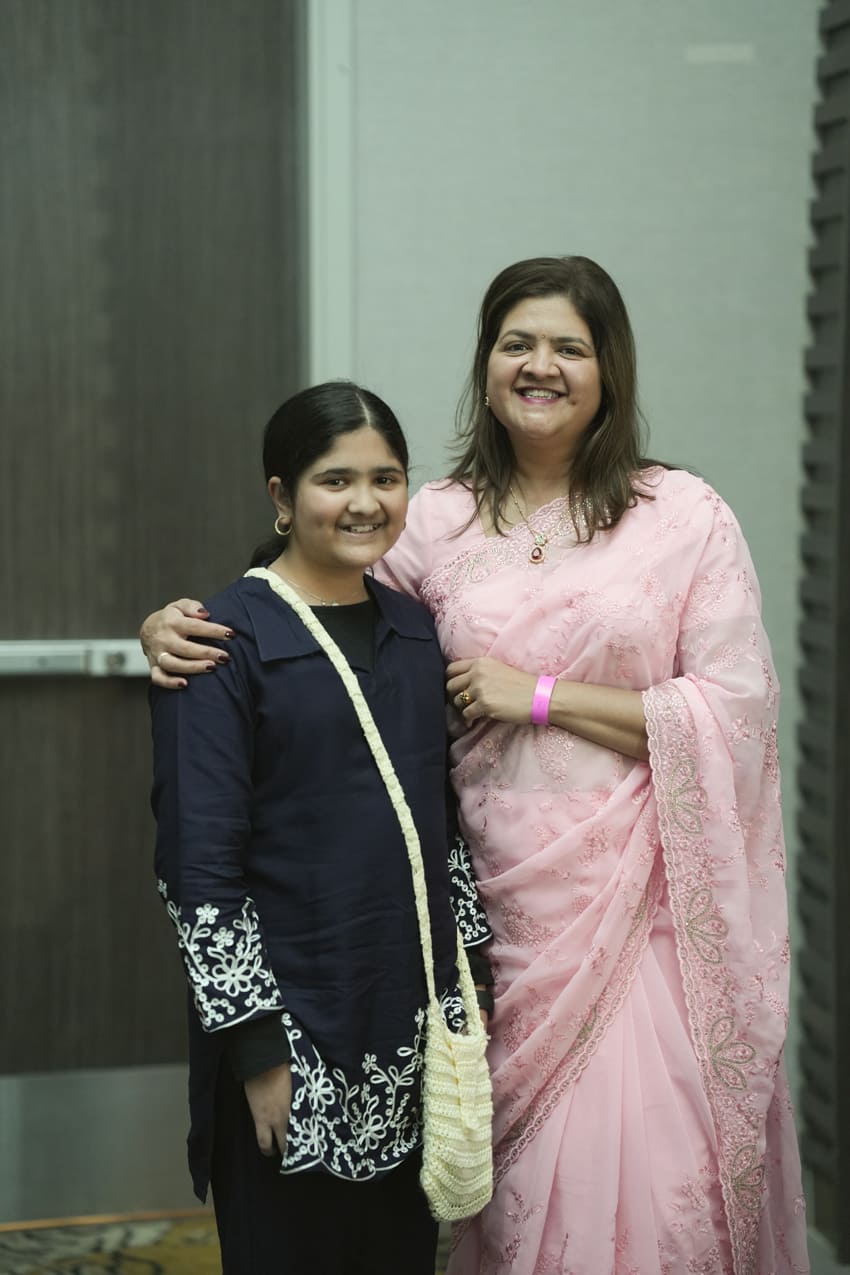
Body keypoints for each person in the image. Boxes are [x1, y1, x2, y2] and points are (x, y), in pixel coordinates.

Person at [142, 257, 809, 1274]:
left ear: (609, 369)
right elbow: (310, 599)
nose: (540, 365)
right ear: (486, 363)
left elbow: (738, 713)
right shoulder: (434, 518)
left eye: (569, 347)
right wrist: (180, 623)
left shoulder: (681, 516)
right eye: (516, 343)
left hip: (635, 915)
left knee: (643, 1200)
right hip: (481, 923)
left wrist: (536, 695)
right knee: (491, 1195)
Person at [149, 381, 492, 1275]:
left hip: (410, 1032)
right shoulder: (221, 641)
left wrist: (473, 994)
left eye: (386, 478)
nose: (364, 502)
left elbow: (441, 832)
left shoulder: (416, 631)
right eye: (336, 480)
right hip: (290, 1033)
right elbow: (198, 870)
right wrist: (258, 1050)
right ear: (282, 494)